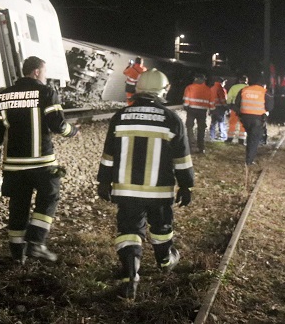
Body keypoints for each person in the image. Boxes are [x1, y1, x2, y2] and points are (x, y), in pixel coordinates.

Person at [98, 68, 194, 300]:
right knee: (161, 229)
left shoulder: (120, 116)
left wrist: (103, 181)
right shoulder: (171, 119)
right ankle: (164, 261)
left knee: (129, 230)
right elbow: (181, 159)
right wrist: (186, 185)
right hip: (159, 190)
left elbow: (108, 155)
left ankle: (131, 274)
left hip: (126, 189)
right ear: (163, 90)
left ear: (138, 89)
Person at [0, 56, 79, 264]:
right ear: (36, 72)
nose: (45, 76)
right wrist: (73, 131)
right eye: (44, 72)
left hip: (14, 165)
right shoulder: (46, 92)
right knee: (50, 196)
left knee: (18, 205)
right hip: (42, 162)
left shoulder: (3, 96)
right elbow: (58, 125)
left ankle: (17, 254)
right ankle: (36, 243)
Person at [236, 75, 273, 166]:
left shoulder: (244, 90)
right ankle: (249, 160)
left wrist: (240, 114)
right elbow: (270, 107)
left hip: (245, 118)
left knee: (250, 136)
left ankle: (248, 157)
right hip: (258, 119)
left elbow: (237, 104)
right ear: (263, 85)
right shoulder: (265, 92)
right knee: (254, 139)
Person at [182, 73, 212, 153]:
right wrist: (211, 110)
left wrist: (186, 106)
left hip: (191, 110)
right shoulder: (208, 89)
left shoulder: (189, 87)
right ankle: (201, 147)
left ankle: (190, 146)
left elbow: (186, 99)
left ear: (197, 79)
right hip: (202, 111)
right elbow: (211, 101)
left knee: (189, 127)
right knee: (201, 128)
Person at [225, 75, 248, 145]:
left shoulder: (234, 87)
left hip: (234, 107)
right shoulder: (248, 88)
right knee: (243, 124)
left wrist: (229, 105)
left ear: (239, 80)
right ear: (247, 81)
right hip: (245, 108)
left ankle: (230, 138)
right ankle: (241, 140)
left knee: (232, 123)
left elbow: (229, 98)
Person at [209, 77, 228, 142]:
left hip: (212, 107)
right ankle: (223, 136)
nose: (224, 84)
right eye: (224, 82)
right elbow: (222, 99)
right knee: (221, 122)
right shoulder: (220, 89)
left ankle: (212, 136)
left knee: (213, 122)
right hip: (219, 107)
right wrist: (226, 106)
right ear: (221, 82)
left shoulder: (211, 88)